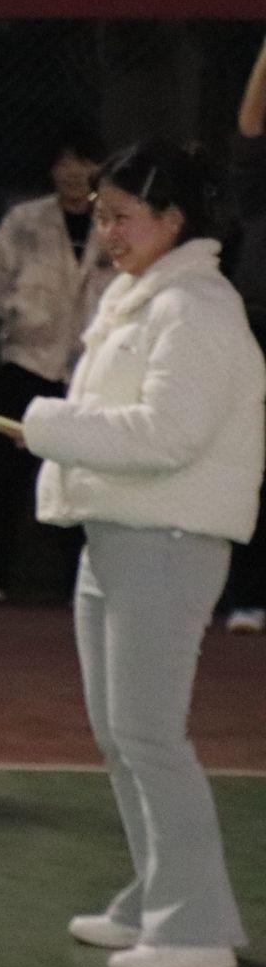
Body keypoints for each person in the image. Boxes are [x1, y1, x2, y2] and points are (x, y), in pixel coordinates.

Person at [11, 141, 263, 967]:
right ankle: (157, 894)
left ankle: (195, 926)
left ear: (175, 220)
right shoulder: (144, 298)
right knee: (123, 733)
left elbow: (168, 434)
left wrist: (48, 426)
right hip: (121, 532)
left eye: (124, 215)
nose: (108, 231)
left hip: (167, 541)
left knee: (150, 734)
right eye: (103, 214)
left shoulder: (195, 308)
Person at [0, 127, 112, 604]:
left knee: (81, 473)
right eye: (64, 161)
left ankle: (80, 578)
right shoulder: (24, 221)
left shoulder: (116, 223)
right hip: (26, 361)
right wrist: (20, 315)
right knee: (4, 469)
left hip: (90, 368)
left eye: (83, 161)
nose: (73, 172)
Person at [221, 34, 266, 633]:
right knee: (251, 459)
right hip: (258, 323)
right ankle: (247, 594)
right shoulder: (258, 181)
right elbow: (251, 123)